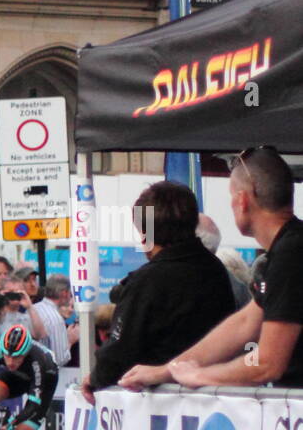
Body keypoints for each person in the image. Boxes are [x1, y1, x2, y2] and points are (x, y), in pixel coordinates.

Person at [118, 159, 295, 391]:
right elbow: (243, 323)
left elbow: (266, 363)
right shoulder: (283, 251)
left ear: (242, 200)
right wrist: (170, 370)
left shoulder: (291, 254)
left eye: (231, 197)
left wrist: (202, 376)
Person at [30, 274, 76, 367]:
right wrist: (70, 341)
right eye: (70, 294)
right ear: (64, 293)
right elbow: (59, 359)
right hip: (45, 374)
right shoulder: (55, 319)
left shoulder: (33, 309)